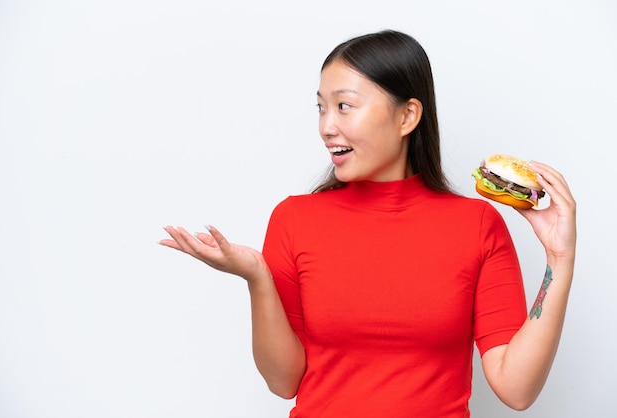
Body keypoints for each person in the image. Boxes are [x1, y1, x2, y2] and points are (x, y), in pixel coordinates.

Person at [159, 30, 576, 418]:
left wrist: (559, 257)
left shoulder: (478, 225)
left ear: (407, 116)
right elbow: (283, 381)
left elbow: (516, 389)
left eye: (344, 106)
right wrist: (256, 277)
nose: (326, 126)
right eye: (321, 107)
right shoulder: (294, 219)